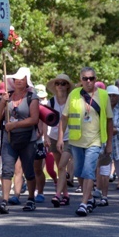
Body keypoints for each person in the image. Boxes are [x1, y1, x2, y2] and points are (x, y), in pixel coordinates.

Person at [57, 67, 113, 217]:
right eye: (85, 78)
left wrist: (109, 143)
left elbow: (109, 120)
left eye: (92, 78)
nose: (89, 81)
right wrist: (61, 138)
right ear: (80, 80)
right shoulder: (74, 94)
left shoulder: (103, 95)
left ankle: (83, 203)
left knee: (89, 170)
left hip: (94, 140)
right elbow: (64, 117)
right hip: (76, 140)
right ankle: (89, 198)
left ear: (95, 79)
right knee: (79, 171)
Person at [0, 67, 40, 214]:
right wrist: (2, 102)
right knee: (7, 170)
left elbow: (34, 119)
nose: (19, 81)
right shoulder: (8, 96)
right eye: (16, 78)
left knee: (28, 170)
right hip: (9, 138)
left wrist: (15, 124)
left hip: (28, 139)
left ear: (27, 80)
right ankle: (4, 201)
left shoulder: (32, 97)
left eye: (22, 78)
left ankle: (31, 199)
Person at [47, 73, 74, 208]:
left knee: (63, 165)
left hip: (69, 137)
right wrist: (45, 136)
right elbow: (44, 119)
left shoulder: (72, 101)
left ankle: (57, 195)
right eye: (58, 83)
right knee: (60, 167)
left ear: (67, 86)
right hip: (54, 136)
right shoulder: (51, 102)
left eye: (63, 83)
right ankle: (66, 195)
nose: (60, 86)